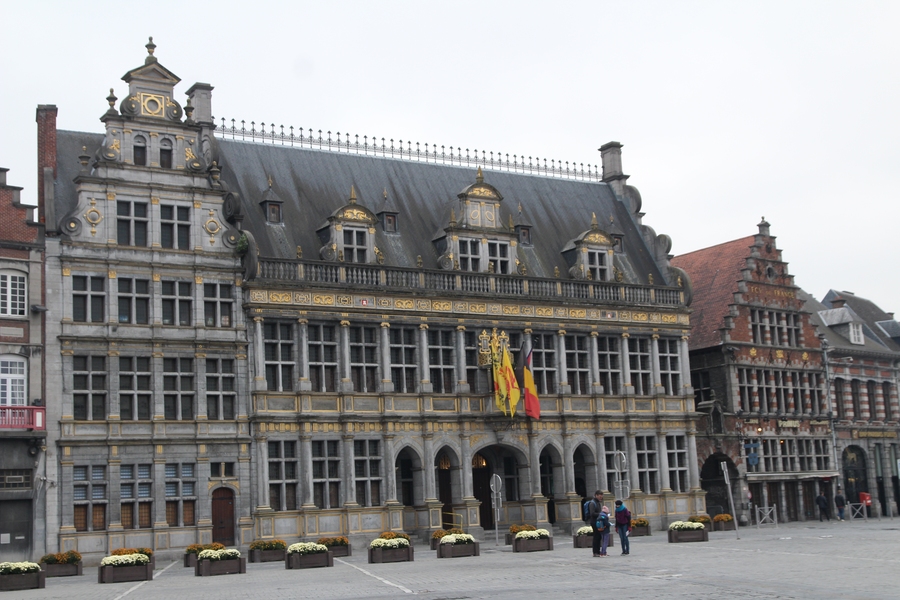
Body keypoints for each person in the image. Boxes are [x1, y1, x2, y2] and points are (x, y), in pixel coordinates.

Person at [587, 490, 604, 557]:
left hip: (598, 521)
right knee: (596, 537)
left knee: (599, 536)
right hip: (594, 522)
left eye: (601, 496)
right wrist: (600, 514)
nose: (601, 498)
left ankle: (598, 551)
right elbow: (592, 513)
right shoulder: (592, 503)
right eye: (599, 496)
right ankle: (595, 552)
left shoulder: (598, 502)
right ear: (596, 495)